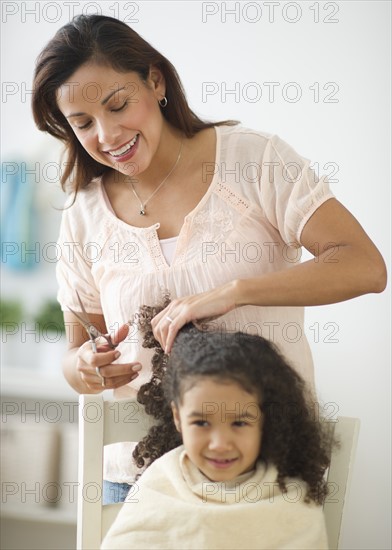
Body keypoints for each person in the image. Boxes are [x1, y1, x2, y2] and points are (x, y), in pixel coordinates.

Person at [31, 14, 386, 503]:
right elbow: (74, 355)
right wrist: (88, 367)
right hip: (137, 481)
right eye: (83, 123)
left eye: (118, 105)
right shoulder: (84, 213)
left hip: (265, 474)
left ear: (155, 81)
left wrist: (230, 294)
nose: (108, 135)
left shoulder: (254, 161)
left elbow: (365, 266)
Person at [101, 304, 333, 549]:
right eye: (201, 422)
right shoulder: (157, 485)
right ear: (178, 418)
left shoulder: (292, 502)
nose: (220, 444)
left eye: (239, 422)